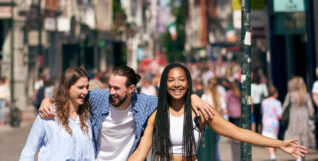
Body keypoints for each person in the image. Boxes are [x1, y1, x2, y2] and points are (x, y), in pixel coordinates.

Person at [128, 63, 308, 161]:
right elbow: (140, 154)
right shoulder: (156, 114)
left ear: (188, 83)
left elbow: (238, 132)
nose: (176, 84)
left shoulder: (201, 112)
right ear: (164, 84)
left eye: (181, 80)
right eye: (171, 80)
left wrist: (279, 144)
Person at [39, 65, 214, 161]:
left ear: (131, 89)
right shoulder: (100, 98)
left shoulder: (144, 103)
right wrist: (49, 101)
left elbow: (171, 97)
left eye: (116, 88)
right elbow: (75, 95)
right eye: (110, 87)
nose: (111, 92)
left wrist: (193, 98)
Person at [19, 67, 94, 161]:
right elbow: (28, 151)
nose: (85, 91)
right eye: (80, 87)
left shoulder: (88, 117)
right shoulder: (48, 114)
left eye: (87, 87)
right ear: (67, 87)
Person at [283, 76, 314, 160]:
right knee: (304, 135)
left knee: (294, 135)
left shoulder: (290, 95)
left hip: (294, 116)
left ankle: (298, 156)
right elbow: (311, 110)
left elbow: (284, 107)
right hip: (304, 116)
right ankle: (302, 155)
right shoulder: (306, 95)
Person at [201, 77, 227, 161]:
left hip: (208, 124)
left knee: (208, 146)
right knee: (215, 144)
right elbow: (224, 110)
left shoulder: (205, 96)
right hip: (218, 123)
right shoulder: (219, 97)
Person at [261, 86, 282, 161]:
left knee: (268, 140)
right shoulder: (277, 103)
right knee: (274, 140)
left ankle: (272, 155)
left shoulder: (264, 102)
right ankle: (273, 155)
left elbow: (263, 111)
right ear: (275, 94)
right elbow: (279, 115)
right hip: (274, 123)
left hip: (266, 122)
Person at [225, 80, 241, 161]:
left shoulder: (229, 93)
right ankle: (237, 139)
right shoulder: (238, 92)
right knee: (237, 127)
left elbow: (226, 101)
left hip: (231, 112)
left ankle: (232, 138)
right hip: (238, 112)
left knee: (231, 127)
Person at [251, 68, 268, 133]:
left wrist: (249, 104)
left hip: (253, 104)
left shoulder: (251, 86)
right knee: (260, 119)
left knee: (254, 119)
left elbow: (250, 97)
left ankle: (255, 132)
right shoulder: (262, 85)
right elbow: (266, 94)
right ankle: (260, 132)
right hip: (261, 104)